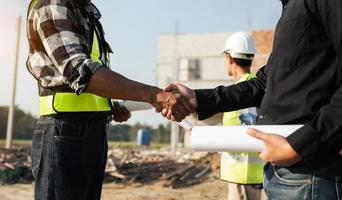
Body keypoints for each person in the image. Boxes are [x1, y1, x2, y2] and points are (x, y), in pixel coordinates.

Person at [163, 0, 342, 199]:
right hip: (287, 172)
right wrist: (198, 98)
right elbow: (264, 83)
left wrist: (302, 144)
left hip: (311, 173)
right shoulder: (292, 8)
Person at [26, 0, 193, 199]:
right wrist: (154, 94)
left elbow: (91, 79)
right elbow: (80, 71)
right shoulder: (53, 3)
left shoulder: (86, 11)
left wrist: (107, 105)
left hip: (91, 133)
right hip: (63, 132)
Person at [220, 32, 264, 200]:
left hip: (243, 176)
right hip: (250, 174)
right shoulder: (256, 86)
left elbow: (247, 124)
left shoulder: (239, 91)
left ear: (229, 57)